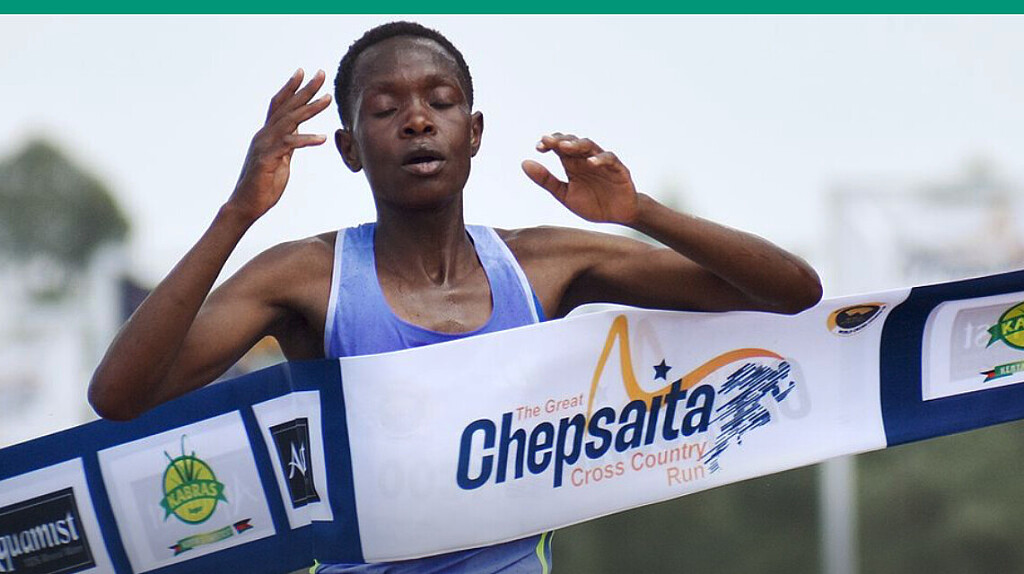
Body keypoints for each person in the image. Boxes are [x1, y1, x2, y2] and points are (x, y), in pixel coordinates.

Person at [88, 21, 822, 574]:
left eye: (440, 102)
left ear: (473, 134)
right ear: (349, 148)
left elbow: (792, 291)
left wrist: (640, 212)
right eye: (385, 109)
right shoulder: (307, 278)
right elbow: (120, 395)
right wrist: (238, 213)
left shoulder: (542, 266)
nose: (417, 120)